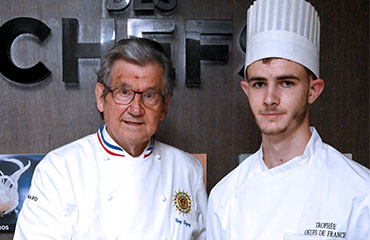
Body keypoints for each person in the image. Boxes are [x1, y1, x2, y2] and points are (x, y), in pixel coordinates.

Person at [207, 0, 370, 239]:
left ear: (313, 90)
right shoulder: (224, 196)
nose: (270, 98)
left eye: (286, 82)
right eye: (259, 84)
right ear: (247, 90)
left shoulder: (360, 192)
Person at [14, 37, 207, 239]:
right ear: (100, 97)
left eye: (149, 95)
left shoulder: (187, 170)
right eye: (124, 92)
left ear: (164, 106)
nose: (135, 109)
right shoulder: (59, 170)